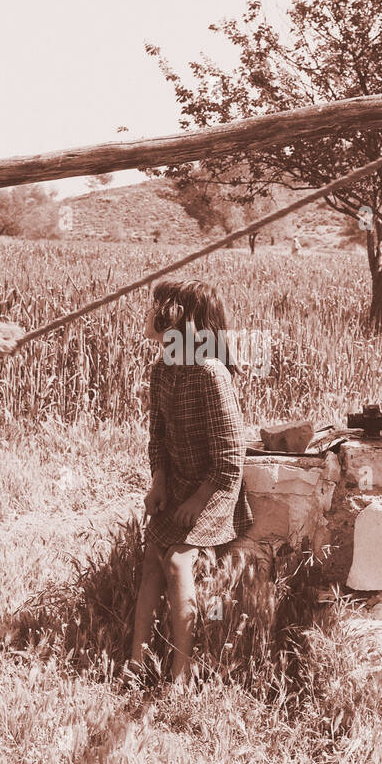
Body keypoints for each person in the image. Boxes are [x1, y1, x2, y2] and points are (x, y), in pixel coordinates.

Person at [132, 279, 251, 684]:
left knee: (179, 561)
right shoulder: (163, 370)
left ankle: (181, 676)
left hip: (215, 490)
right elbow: (158, 436)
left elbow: (231, 459)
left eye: (162, 308)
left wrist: (197, 501)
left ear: (182, 322)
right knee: (152, 560)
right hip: (180, 484)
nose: (153, 314)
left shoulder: (210, 374)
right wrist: (159, 481)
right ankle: (136, 665)